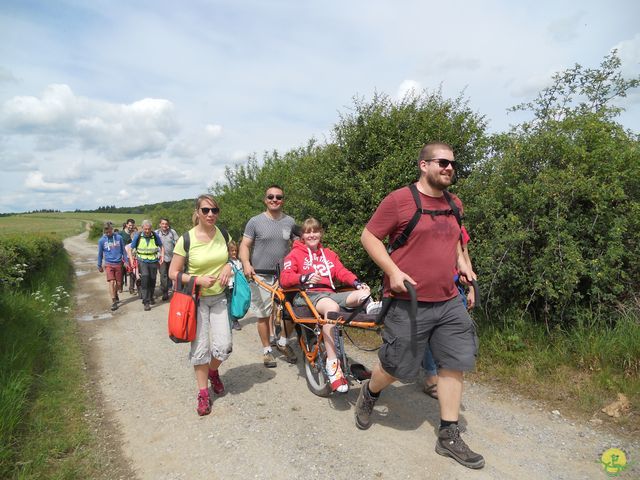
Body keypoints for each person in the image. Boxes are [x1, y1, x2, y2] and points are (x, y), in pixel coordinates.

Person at [357, 142, 484, 469]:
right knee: (397, 368)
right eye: (442, 162)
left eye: (453, 164)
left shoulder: (455, 204)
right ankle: (370, 393)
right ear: (423, 165)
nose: (449, 168)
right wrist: (393, 271)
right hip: (407, 302)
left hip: (448, 300)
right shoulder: (399, 201)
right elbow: (369, 237)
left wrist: (464, 266)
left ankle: (448, 434)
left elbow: (457, 241)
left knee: (454, 361)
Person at [280, 218, 371, 392]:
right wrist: (303, 278)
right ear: (302, 235)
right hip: (307, 295)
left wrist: (357, 283)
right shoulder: (295, 254)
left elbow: (341, 271)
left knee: (364, 295)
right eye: (308, 231)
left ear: (321, 233)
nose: (312, 234)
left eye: (315, 231)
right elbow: (285, 278)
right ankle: (333, 365)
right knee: (332, 307)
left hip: (329, 293)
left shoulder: (329, 254)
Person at [168, 194, 233, 416]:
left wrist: (228, 267)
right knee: (201, 349)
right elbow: (173, 273)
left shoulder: (223, 234)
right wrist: (196, 280)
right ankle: (203, 393)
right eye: (205, 210)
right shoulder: (186, 239)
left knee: (224, 347)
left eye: (214, 210)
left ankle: (213, 372)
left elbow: (230, 258)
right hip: (195, 300)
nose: (210, 215)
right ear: (197, 212)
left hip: (220, 297)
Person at [239, 185, 298, 368]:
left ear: (283, 200)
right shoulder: (255, 221)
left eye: (278, 197)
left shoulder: (290, 222)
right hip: (260, 275)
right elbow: (245, 245)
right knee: (263, 315)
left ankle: (282, 342)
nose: (274, 200)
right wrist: (246, 263)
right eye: (271, 197)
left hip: (284, 276)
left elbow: (297, 248)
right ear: (265, 200)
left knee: (290, 313)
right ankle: (267, 350)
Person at [423, 225, 475, 399]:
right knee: (430, 334)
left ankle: (448, 376)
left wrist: (472, 288)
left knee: (455, 335)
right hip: (431, 286)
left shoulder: (459, 227)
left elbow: (465, 255)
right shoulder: (427, 223)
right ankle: (431, 377)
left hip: (455, 288)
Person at [130, 220, 164, 311]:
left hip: (153, 260)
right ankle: (146, 302)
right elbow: (131, 248)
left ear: (151, 228)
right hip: (142, 260)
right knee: (145, 278)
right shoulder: (138, 236)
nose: (147, 231)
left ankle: (151, 297)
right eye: (145, 229)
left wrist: (162, 256)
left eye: (149, 229)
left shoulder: (154, 235)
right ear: (142, 228)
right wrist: (131, 259)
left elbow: (161, 246)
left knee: (152, 280)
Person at [97, 221, 128, 311]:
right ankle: (114, 301)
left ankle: (116, 294)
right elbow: (100, 254)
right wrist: (99, 265)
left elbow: (124, 251)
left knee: (118, 284)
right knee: (112, 282)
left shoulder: (119, 238)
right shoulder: (102, 240)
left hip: (118, 263)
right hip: (108, 264)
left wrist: (126, 261)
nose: (108, 234)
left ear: (112, 229)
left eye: (109, 232)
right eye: (106, 232)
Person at [155, 218, 179, 301]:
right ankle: (165, 292)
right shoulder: (156, 233)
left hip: (172, 257)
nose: (164, 225)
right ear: (160, 224)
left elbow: (177, 242)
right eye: (163, 224)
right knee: (163, 275)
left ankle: (170, 288)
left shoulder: (172, 232)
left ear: (168, 225)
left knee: (171, 274)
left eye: (166, 224)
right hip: (161, 258)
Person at [227, 240, 244, 331]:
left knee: (236, 302)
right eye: (232, 250)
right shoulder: (227, 262)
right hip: (230, 285)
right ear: (228, 251)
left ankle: (233, 318)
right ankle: (234, 321)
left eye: (235, 250)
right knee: (230, 303)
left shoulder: (238, 261)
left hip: (238, 285)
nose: (234, 252)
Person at [120, 219, 137, 294]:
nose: (131, 227)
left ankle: (131, 288)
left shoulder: (135, 234)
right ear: (126, 225)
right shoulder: (121, 234)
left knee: (132, 272)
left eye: (132, 225)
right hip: (121, 256)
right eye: (130, 225)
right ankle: (120, 285)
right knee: (121, 272)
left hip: (131, 256)